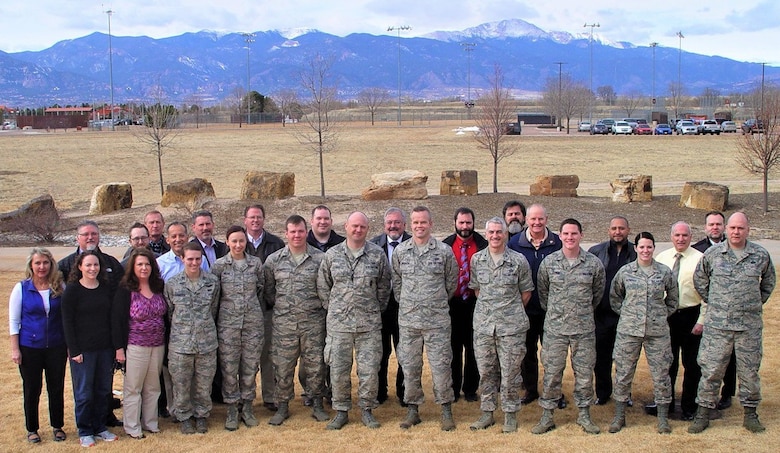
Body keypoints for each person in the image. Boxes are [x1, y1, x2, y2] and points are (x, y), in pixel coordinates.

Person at [689, 212, 776, 434]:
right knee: (711, 370)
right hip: (718, 325)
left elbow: (768, 283)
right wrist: (717, 302)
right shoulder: (713, 254)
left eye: (741, 228)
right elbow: (700, 280)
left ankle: (750, 414)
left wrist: (752, 303)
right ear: (726, 229)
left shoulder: (760, 255)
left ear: (748, 230)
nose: (736, 232)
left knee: (749, 371)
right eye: (733, 228)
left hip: (748, 327)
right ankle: (703, 413)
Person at [317, 211, 391, 430]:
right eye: (354, 226)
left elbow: (384, 288)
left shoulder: (377, 255)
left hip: (368, 325)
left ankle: (367, 410)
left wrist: (372, 309)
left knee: (369, 370)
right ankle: (341, 411)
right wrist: (335, 309)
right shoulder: (332, 255)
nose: (358, 230)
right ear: (346, 227)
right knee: (338, 370)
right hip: (339, 325)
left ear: (367, 229)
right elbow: (323, 285)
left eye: (362, 227)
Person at [532, 218, 605, 435]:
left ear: (581, 235)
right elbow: (543, 293)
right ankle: (547, 416)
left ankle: (584, 415)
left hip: (583, 330)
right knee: (552, 373)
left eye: (574, 233)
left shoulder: (593, 264)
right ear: (560, 236)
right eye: (566, 234)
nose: (570, 237)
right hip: (555, 329)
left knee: (584, 374)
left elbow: (597, 295)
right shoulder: (549, 262)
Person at [392, 206, 459, 431]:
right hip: (409, 321)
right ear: (410, 225)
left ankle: (446, 409)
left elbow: (451, 283)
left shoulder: (444, 251)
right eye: (416, 222)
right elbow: (397, 284)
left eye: (423, 222)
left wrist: (434, 302)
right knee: (410, 366)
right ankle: (413, 409)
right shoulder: (401, 252)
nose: (419, 226)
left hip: (437, 322)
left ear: (431, 224)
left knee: (441, 367)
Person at [467, 217, 534, 433]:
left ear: (505, 234)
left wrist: (507, 312)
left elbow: (526, 293)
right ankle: (487, 413)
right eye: (491, 232)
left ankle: (510, 415)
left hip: (511, 328)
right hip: (484, 327)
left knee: (511, 373)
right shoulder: (477, 260)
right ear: (486, 234)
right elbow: (477, 290)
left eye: (499, 232)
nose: (495, 236)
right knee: (486, 372)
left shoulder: (518, 260)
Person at [608, 232, 678, 434]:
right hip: (629, 331)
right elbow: (615, 297)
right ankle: (619, 416)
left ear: (653, 248)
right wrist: (630, 315)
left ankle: (663, 418)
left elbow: (673, 299)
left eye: (649, 247)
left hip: (657, 332)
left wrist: (659, 314)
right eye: (642, 247)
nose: (645, 250)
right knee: (623, 373)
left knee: (661, 374)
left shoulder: (664, 272)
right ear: (636, 248)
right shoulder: (626, 272)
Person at [264, 215, 329, 425]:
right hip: (284, 324)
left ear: (306, 231)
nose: (297, 235)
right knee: (282, 367)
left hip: (313, 324)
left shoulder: (320, 259)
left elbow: (325, 289)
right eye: (292, 231)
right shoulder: (274, 261)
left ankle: (317, 404)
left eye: (300, 231)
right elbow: (269, 293)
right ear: (286, 234)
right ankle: (282, 407)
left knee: (315, 367)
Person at [9, 248, 68, 444]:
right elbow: (14, 321)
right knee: (32, 388)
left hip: (56, 346)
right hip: (30, 347)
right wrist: (15, 349)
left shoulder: (59, 286)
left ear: (51, 265)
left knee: (56, 387)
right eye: (38, 263)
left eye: (45, 263)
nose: (42, 267)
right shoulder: (22, 288)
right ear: (31, 265)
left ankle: (57, 426)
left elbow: (65, 317)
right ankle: (32, 428)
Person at [647, 222, 704, 420]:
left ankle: (689, 406)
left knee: (692, 364)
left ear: (691, 236)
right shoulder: (662, 258)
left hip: (692, 315)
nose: (681, 239)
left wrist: (702, 320)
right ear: (671, 236)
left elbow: (707, 293)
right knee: (666, 363)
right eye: (677, 235)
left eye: (685, 235)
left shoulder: (700, 259)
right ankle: (665, 403)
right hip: (667, 317)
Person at [61, 251, 119, 447]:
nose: (92, 268)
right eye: (88, 265)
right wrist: (74, 350)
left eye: (96, 265)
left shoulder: (105, 288)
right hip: (83, 351)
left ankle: (100, 426)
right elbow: (67, 322)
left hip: (104, 349)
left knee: (103, 390)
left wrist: (114, 346)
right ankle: (85, 430)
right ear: (80, 267)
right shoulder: (72, 290)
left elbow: (111, 318)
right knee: (84, 392)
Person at [210, 226, 265, 430]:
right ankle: (232, 409)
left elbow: (261, 290)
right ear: (227, 242)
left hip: (252, 326)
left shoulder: (255, 264)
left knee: (250, 368)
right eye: (234, 241)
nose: (238, 245)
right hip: (228, 327)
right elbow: (215, 298)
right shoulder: (219, 266)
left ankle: (248, 407)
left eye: (241, 241)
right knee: (230, 369)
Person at [507, 204, 562, 407]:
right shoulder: (515, 243)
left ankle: (554, 392)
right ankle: (531, 390)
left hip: (552, 311)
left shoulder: (557, 242)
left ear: (546, 219)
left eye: (540, 219)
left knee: (552, 354)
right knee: (527, 352)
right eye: (533, 219)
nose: (537, 223)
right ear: (526, 220)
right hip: (525, 309)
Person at [165, 242, 221, 435]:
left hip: (206, 343)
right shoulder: (172, 284)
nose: (194, 262)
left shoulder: (212, 282)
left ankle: (202, 415)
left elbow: (213, 310)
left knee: (204, 384)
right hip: (181, 344)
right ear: (183, 259)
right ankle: (184, 417)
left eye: (198, 259)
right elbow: (170, 313)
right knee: (181, 384)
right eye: (190, 259)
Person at [112, 248, 167, 439]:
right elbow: (117, 321)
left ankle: (150, 422)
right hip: (135, 346)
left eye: (147, 264)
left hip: (158, 345)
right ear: (132, 267)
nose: (144, 268)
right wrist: (119, 349)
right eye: (140, 264)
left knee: (153, 387)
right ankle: (132, 426)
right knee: (133, 387)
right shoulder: (126, 290)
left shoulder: (158, 286)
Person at [587, 216, 636, 406]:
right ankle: (603, 393)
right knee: (601, 358)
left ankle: (625, 394)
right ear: (609, 230)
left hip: (626, 315)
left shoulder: (636, 252)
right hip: (601, 314)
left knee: (625, 358)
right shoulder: (596, 252)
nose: (618, 232)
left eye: (621, 228)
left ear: (628, 230)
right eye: (614, 228)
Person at [691, 210, 735, 411]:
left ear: (724, 226)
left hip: (731, 315)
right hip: (706, 311)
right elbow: (699, 281)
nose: (715, 227)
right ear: (705, 227)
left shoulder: (734, 246)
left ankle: (727, 394)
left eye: (718, 224)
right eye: (711, 224)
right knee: (706, 356)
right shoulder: (697, 250)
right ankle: (703, 393)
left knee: (730, 357)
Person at [243, 204, 285, 411]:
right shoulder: (237, 242)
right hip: (243, 313)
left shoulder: (276, 243)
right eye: (251, 217)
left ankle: (270, 396)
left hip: (268, 310)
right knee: (247, 357)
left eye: (259, 217)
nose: (255, 221)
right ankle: (245, 398)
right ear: (245, 220)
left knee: (269, 355)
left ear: (264, 219)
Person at [442, 207, 486, 403]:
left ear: (473, 223)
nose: (465, 226)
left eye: (468, 222)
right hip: (453, 304)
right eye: (461, 223)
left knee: (473, 348)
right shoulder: (445, 246)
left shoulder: (483, 245)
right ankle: (452, 388)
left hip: (476, 304)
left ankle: (470, 389)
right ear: (455, 223)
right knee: (453, 348)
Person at [369, 207, 411, 406]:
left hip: (405, 307)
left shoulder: (413, 243)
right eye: (389, 223)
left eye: (397, 222)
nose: (393, 226)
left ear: (404, 224)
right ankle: (379, 391)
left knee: (405, 350)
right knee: (381, 351)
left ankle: (404, 392)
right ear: (384, 225)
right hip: (380, 307)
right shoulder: (373, 246)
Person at [154, 221, 189, 418]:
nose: (178, 239)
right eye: (174, 236)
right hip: (170, 323)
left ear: (187, 236)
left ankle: (191, 405)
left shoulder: (196, 259)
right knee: (171, 367)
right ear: (167, 239)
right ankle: (174, 408)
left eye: (181, 235)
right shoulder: (160, 264)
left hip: (194, 324)